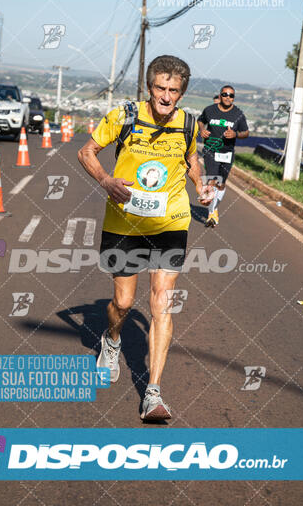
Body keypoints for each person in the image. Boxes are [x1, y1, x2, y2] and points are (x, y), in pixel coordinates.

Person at [78, 55, 213, 421]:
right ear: (148, 87)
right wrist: (106, 181)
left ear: (182, 92)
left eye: (174, 90)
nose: (167, 96)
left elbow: (191, 160)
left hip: (171, 222)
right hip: (125, 223)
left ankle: (152, 393)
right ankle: (112, 340)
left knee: (161, 305)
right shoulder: (123, 116)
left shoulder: (187, 122)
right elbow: (86, 151)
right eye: (160, 88)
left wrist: (200, 185)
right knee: (123, 302)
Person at [198, 85, 249, 227]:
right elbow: (200, 121)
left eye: (231, 95)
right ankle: (211, 213)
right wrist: (202, 130)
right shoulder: (210, 110)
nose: (228, 97)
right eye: (225, 94)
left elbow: (246, 132)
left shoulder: (238, 114)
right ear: (220, 96)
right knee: (212, 179)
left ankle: (213, 208)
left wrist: (235, 134)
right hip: (210, 150)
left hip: (227, 153)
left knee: (221, 184)